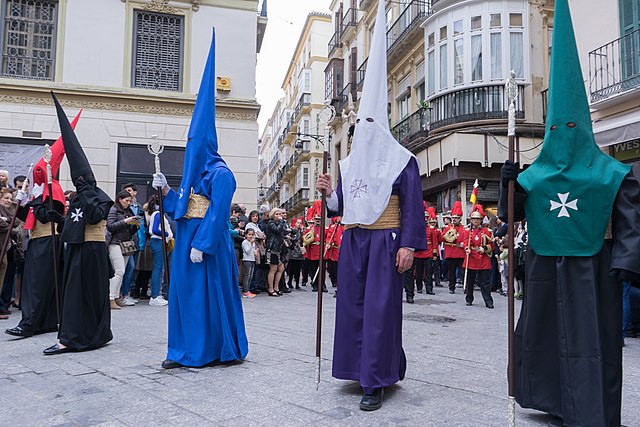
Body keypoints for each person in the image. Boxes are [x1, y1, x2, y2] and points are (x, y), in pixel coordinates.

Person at [499, 2, 640, 424]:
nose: (563, 138)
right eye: (556, 130)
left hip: (593, 272)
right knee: (543, 336)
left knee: (590, 341)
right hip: (545, 267)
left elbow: (631, 221)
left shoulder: (611, 173)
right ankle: (552, 400)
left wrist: (627, 262)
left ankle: (589, 406)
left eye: (570, 129)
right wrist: (510, 182)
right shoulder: (535, 177)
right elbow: (512, 217)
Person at [316, 0, 426, 411]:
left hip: (386, 241)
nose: (360, 130)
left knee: (380, 311)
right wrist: (328, 192)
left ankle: (376, 379)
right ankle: (353, 368)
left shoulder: (402, 160)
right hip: (354, 241)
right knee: (352, 307)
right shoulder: (349, 162)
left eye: (367, 124)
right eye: (356, 125)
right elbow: (342, 204)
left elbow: (413, 206)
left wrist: (408, 245)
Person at [152, 31, 247, 369]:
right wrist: (166, 191)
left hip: (207, 244)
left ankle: (214, 349)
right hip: (188, 239)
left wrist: (202, 244)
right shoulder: (194, 178)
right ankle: (183, 350)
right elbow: (183, 205)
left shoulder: (222, 175)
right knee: (185, 298)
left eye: (195, 141)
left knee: (208, 299)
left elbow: (218, 212)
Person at [43, 92, 113, 355]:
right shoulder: (83, 197)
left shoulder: (99, 198)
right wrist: (58, 218)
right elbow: (75, 222)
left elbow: (95, 217)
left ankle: (76, 338)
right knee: (75, 294)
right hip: (76, 251)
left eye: (81, 180)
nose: (79, 184)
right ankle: (77, 334)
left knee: (88, 296)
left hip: (92, 252)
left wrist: (85, 194)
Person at [5, 117, 78, 338]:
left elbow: (49, 217)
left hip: (48, 240)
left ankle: (29, 323)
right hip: (37, 239)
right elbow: (29, 217)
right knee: (36, 282)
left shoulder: (52, 189)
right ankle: (44, 321)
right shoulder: (40, 191)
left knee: (36, 284)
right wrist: (23, 203)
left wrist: (34, 200)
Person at [106, 190, 140, 309]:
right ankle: (110, 298)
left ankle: (115, 296)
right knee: (119, 271)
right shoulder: (114, 210)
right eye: (126, 201)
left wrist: (135, 226)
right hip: (115, 243)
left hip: (125, 243)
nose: (128, 203)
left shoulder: (127, 211)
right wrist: (125, 221)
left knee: (122, 271)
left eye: (130, 201)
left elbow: (129, 230)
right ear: (120, 199)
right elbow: (110, 226)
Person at [462, 205, 494, 309]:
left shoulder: (487, 231)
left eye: (477, 219)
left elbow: (492, 245)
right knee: (470, 281)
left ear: (481, 220)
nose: (475, 221)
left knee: (485, 282)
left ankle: (488, 301)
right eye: (474, 219)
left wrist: (484, 249)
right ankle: (469, 298)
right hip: (471, 257)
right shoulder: (467, 230)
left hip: (483, 258)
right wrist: (467, 248)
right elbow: (466, 241)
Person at [147, 196, 171, 306]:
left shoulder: (156, 213)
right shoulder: (157, 214)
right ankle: (155, 296)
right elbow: (154, 230)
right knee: (158, 269)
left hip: (157, 242)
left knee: (159, 268)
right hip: (158, 242)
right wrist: (167, 234)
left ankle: (156, 294)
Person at [265, 208, 287, 296]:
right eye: (276, 214)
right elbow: (277, 230)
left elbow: (282, 232)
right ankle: (270, 289)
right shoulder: (270, 223)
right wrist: (281, 223)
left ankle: (276, 287)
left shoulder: (280, 223)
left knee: (281, 268)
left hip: (279, 248)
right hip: (272, 248)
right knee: (273, 269)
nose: (279, 216)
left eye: (280, 214)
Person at [241, 228, 257, 298]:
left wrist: (255, 252)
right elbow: (247, 251)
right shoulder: (245, 242)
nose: (251, 236)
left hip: (252, 259)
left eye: (252, 234)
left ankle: (248, 290)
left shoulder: (253, 242)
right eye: (249, 234)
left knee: (250, 276)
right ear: (246, 235)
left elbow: (252, 250)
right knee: (247, 276)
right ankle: (245, 291)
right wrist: (251, 243)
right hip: (247, 260)